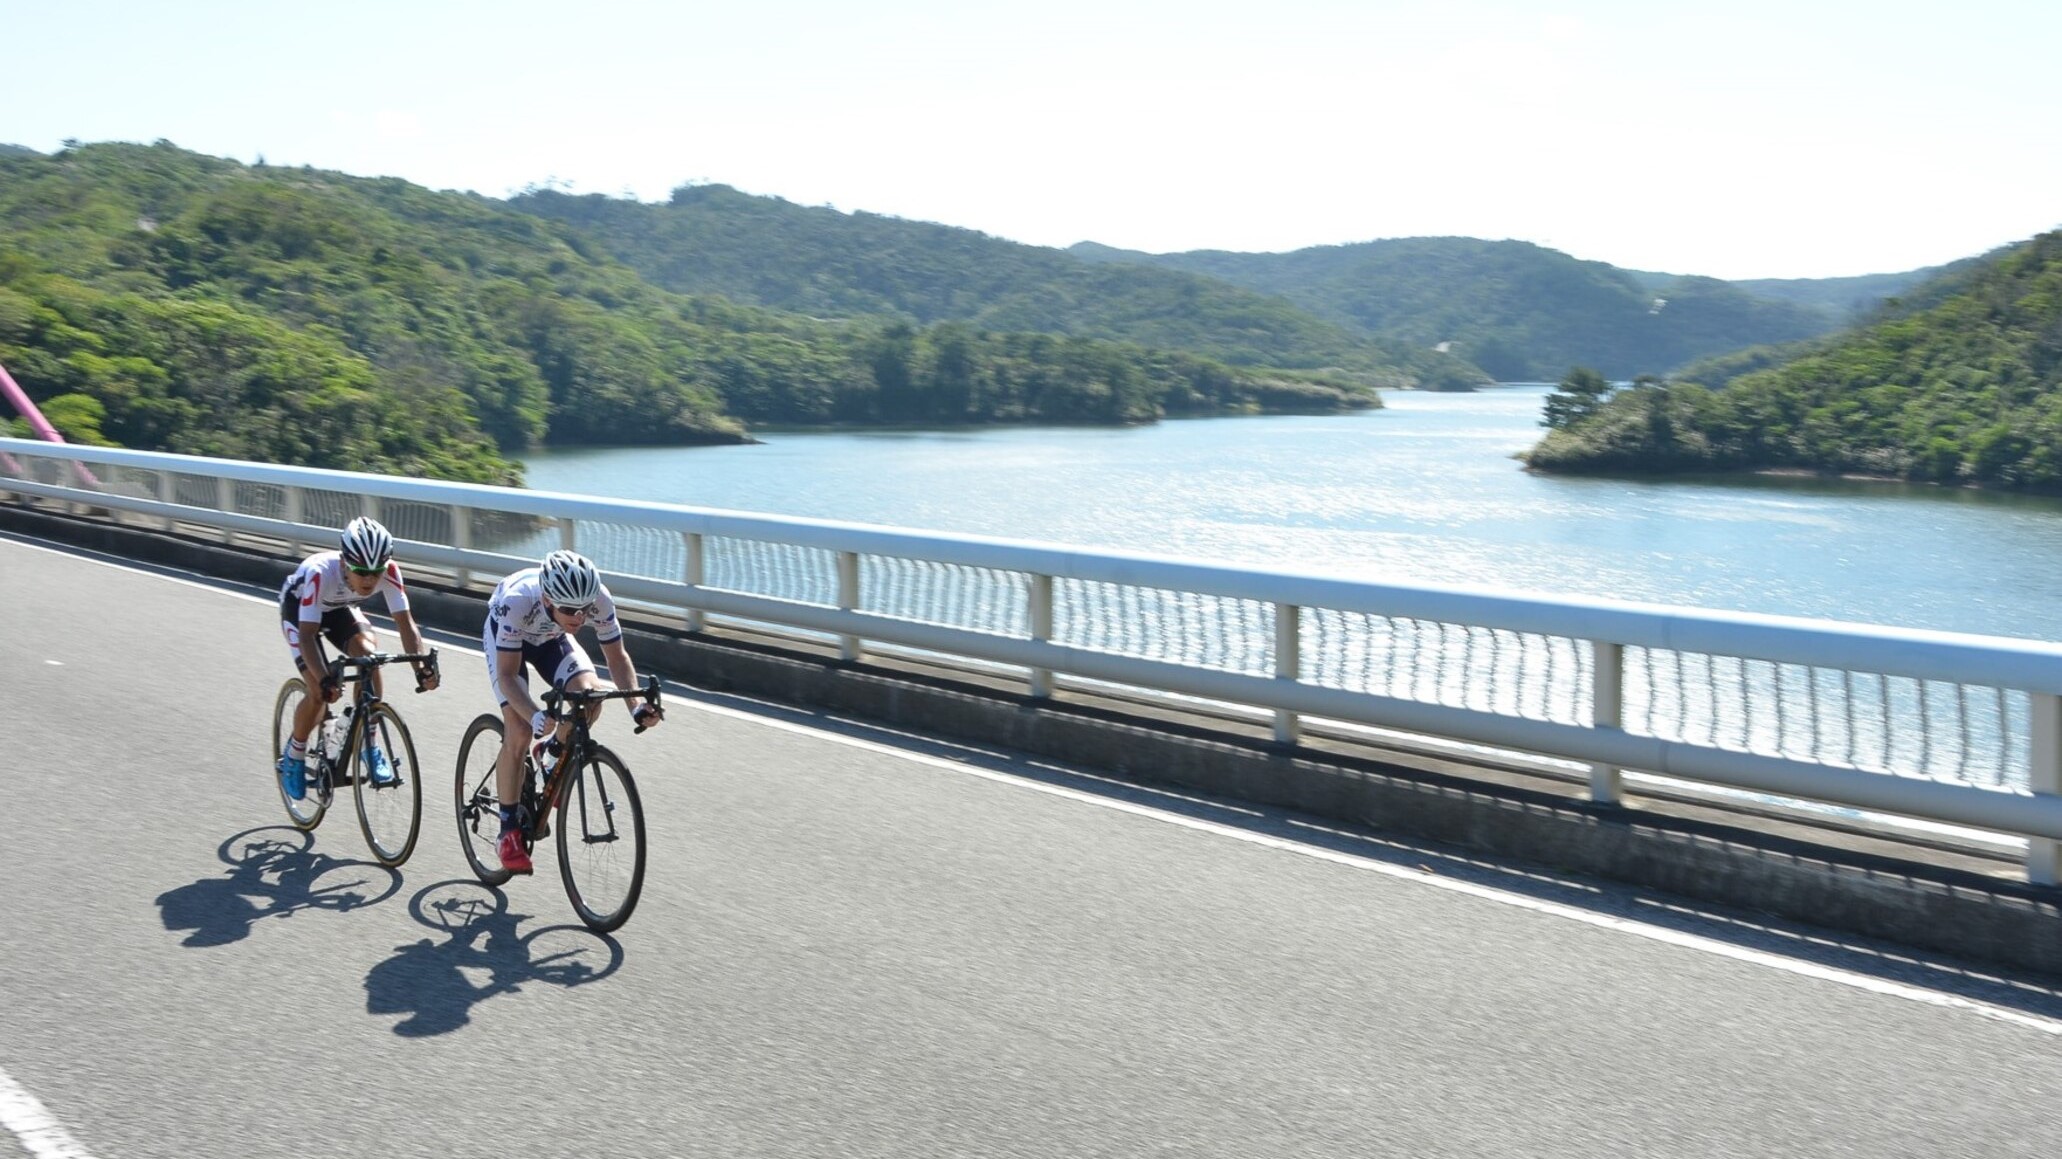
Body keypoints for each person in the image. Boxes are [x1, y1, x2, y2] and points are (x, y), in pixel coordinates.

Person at [483, 549, 661, 873]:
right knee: (520, 729)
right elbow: (508, 676)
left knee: (590, 695)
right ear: (548, 599)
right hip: (509, 639)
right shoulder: (518, 600)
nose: (579, 617)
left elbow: (617, 658)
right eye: (569, 609)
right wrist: (535, 714)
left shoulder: (599, 600)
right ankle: (507, 832)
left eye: (584, 609)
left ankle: (550, 755)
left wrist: (636, 706)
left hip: (552, 639)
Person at [276, 517, 439, 799]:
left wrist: (420, 667)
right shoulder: (319, 573)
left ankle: (369, 743)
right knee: (318, 692)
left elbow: (406, 623)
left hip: (340, 608)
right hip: (299, 613)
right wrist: (325, 678)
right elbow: (307, 637)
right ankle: (295, 753)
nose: (369, 579)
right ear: (344, 563)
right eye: (361, 571)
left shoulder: (389, 571)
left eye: (376, 572)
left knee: (370, 657)